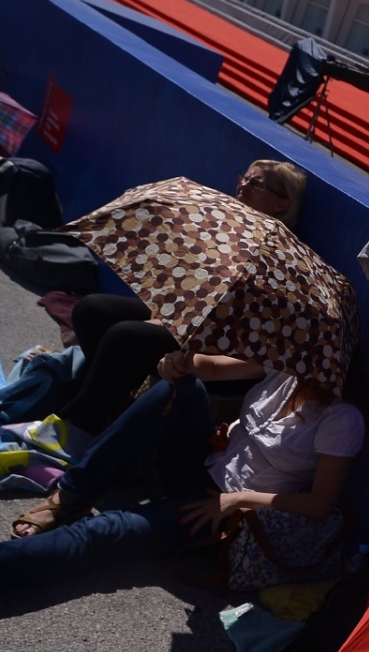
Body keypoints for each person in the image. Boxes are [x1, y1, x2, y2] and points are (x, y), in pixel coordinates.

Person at [0, 345, 364, 608]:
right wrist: (179, 363)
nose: (292, 349)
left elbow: (319, 504)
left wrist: (238, 500)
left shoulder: (341, 418)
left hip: (225, 513)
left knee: (104, 534)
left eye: (306, 346)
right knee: (178, 389)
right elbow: (209, 368)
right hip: (202, 469)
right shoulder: (283, 367)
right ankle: (73, 492)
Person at [46, 160, 310, 444]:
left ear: (282, 204)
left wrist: (173, 324)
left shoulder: (278, 258)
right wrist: (167, 315)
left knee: (126, 336)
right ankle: (108, 400)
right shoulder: (230, 228)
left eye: (256, 184)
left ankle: (78, 429)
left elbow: (241, 326)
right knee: (92, 309)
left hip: (222, 343)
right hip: (189, 318)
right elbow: (190, 288)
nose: (243, 185)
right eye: (243, 178)